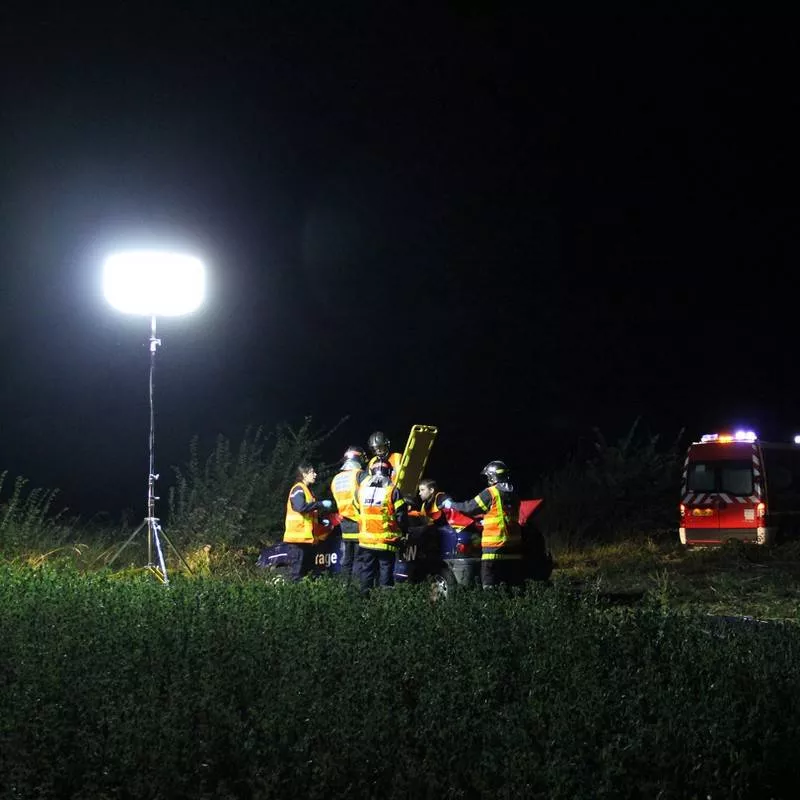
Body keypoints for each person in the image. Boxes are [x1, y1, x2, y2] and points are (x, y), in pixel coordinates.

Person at [443, 460, 524, 589]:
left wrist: (451, 505)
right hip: (513, 547)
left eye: (488, 476)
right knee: (511, 585)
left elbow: (469, 507)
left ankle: (490, 606)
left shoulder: (491, 492)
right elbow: (502, 515)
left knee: (489, 582)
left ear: (492, 477)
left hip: (494, 546)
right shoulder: (513, 494)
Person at [353, 458, 409, 592]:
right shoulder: (392, 490)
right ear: (389, 472)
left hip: (366, 540)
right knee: (386, 573)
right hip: (386, 540)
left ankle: (364, 605)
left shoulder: (360, 490)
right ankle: (384, 605)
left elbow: (356, 511)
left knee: (366, 572)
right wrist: (402, 533)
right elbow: (401, 516)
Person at [283, 463, 333, 582]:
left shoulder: (308, 491)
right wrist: (320, 504)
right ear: (304, 474)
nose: (315, 474)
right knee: (297, 574)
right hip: (297, 540)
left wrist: (320, 521)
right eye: (312, 472)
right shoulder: (298, 489)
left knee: (307, 573)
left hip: (306, 540)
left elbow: (308, 513)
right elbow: (300, 507)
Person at [330, 445, 367, 580]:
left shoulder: (336, 479)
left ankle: (345, 587)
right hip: (360, 523)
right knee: (361, 559)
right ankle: (359, 593)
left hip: (345, 524)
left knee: (347, 559)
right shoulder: (360, 475)